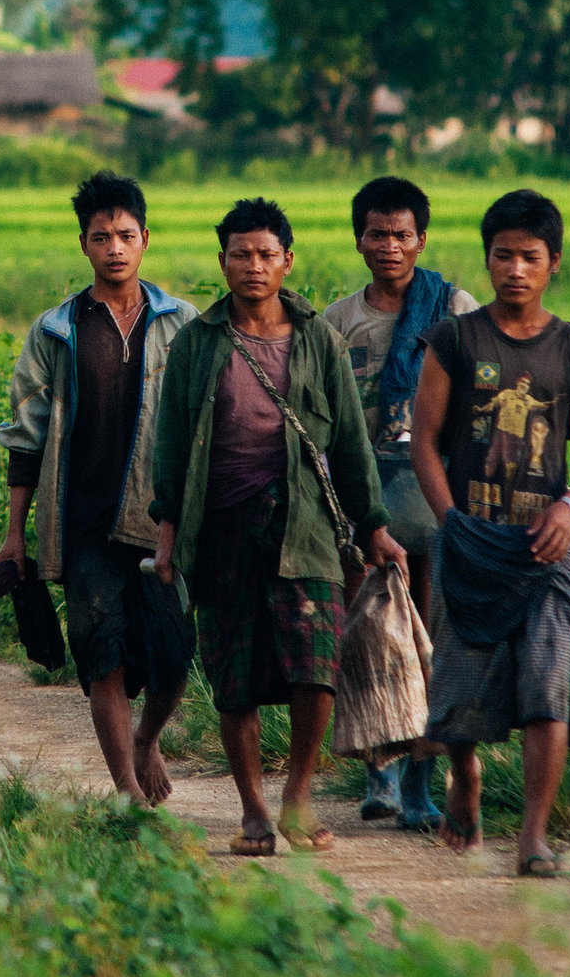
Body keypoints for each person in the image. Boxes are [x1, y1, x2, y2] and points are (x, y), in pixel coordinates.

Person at [151, 196, 404, 856]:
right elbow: (171, 443)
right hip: (222, 528)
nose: (254, 265)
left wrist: (373, 524)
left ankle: (296, 797)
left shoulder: (320, 340)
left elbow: (349, 439)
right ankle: (253, 809)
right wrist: (168, 529)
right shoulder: (197, 344)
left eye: (266, 254)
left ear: (287, 261)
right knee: (233, 673)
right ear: (223, 261)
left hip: (306, 528)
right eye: (241, 253)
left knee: (315, 663)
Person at [408, 188, 570, 878]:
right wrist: (451, 523)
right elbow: (427, 443)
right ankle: (464, 778)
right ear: (487, 258)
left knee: (547, 681)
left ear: (553, 262)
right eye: (503, 255)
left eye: (530, 256)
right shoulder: (454, 339)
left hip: (546, 547)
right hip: (471, 540)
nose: (515, 269)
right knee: (460, 683)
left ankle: (532, 833)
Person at [0, 171, 200, 805]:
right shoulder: (56, 330)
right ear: (83, 245)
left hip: (160, 520)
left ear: (146, 241)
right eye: (101, 236)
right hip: (82, 521)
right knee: (101, 653)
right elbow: (25, 436)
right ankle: (128, 795)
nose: (115, 247)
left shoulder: (183, 325)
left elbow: (206, 423)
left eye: (126, 235)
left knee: (174, 660)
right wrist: (14, 536)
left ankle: (148, 740)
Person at [321, 175, 479, 832]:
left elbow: (479, 402)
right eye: (377, 233)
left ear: (422, 238)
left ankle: (420, 780)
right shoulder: (338, 320)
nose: (390, 245)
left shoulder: (454, 307)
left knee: (433, 639)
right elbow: (325, 419)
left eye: (402, 234)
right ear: (359, 238)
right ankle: (377, 770)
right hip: (364, 499)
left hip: (437, 495)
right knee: (373, 634)